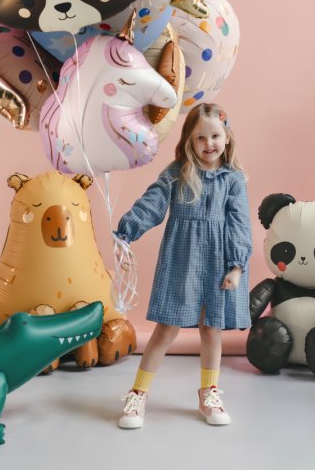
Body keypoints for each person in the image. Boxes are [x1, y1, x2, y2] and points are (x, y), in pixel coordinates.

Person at [113, 103, 252, 428]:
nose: (208, 144)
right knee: (166, 328)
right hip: (182, 258)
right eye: (200, 137)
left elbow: (240, 224)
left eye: (215, 136)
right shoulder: (177, 173)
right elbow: (153, 202)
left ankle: (209, 393)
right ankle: (138, 394)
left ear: (227, 137)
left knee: (211, 328)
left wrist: (236, 266)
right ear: (189, 140)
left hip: (219, 260)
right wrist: (127, 229)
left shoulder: (233, 180)